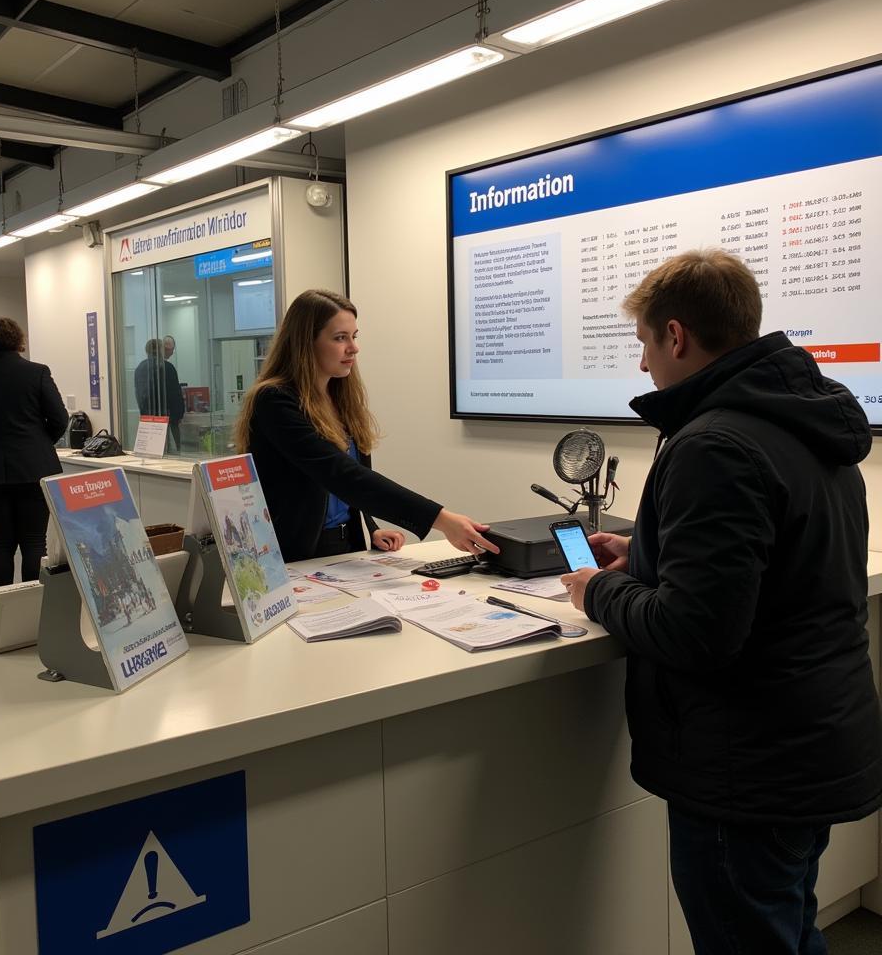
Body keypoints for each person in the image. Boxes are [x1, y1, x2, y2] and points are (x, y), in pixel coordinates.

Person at [560, 250, 882, 955]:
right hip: (807, 741)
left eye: (644, 343)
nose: (643, 366)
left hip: (749, 766)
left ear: (676, 337)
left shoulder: (716, 443)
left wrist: (600, 588)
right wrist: (643, 556)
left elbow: (698, 631)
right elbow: (776, 575)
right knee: (792, 930)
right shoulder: (808, 424)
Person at [234, 288, 499, 563]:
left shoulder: (339, 398)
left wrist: (370, 528)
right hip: (296, 553)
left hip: (347, 544)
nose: (353, 347)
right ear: (305, 342)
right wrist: (441, 519)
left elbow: (353, 481)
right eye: (340, 338)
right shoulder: (275, 401)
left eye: (354, 336)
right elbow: (340, 473)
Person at [0, 317, 69, 586]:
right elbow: (60, 419)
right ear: (19, 341)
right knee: (34, 541)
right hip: (34, 467)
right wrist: (40, 442)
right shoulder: (37, 372)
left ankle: (3, 606)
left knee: (0, 542)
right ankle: (32, 604)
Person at [162, 335, 185, 452]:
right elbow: (174, 393)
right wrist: (179, 412)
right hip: (169, 411)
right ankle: (177, 450)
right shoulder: (168, 368)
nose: (172, 353)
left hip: (154, 414)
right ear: (168, 348)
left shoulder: (143, 367)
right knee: (172, 437)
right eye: (172, 350)